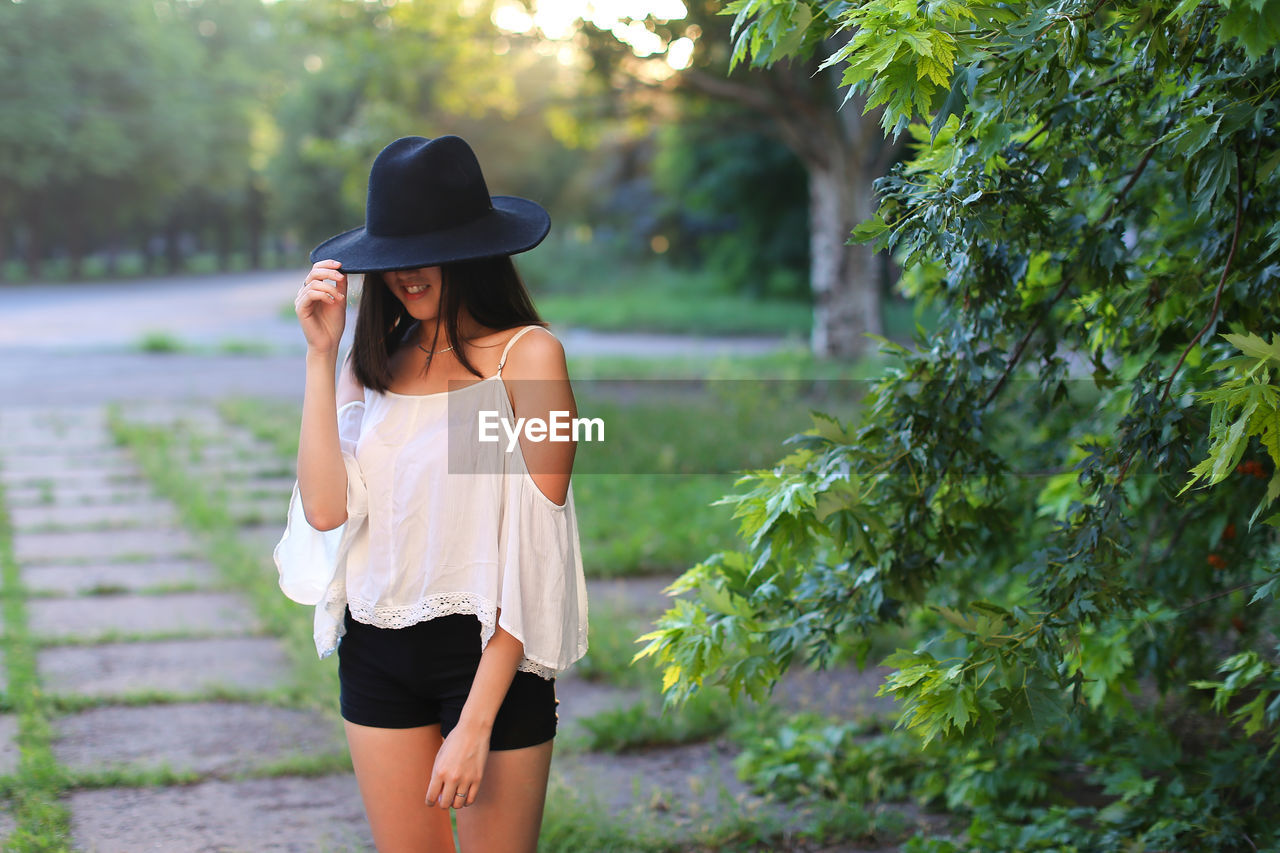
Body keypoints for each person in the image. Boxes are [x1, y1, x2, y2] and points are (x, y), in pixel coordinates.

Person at [274, 134, 589, 853]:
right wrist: (321, 357)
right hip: (375, 652)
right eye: (392, 259)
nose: (407, 275)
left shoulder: (527, 358)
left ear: (474, 249)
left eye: (429, 251)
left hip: (489, 657)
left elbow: (537, 555)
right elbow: (326, 511)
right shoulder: (371, 364)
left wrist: (476, 722)